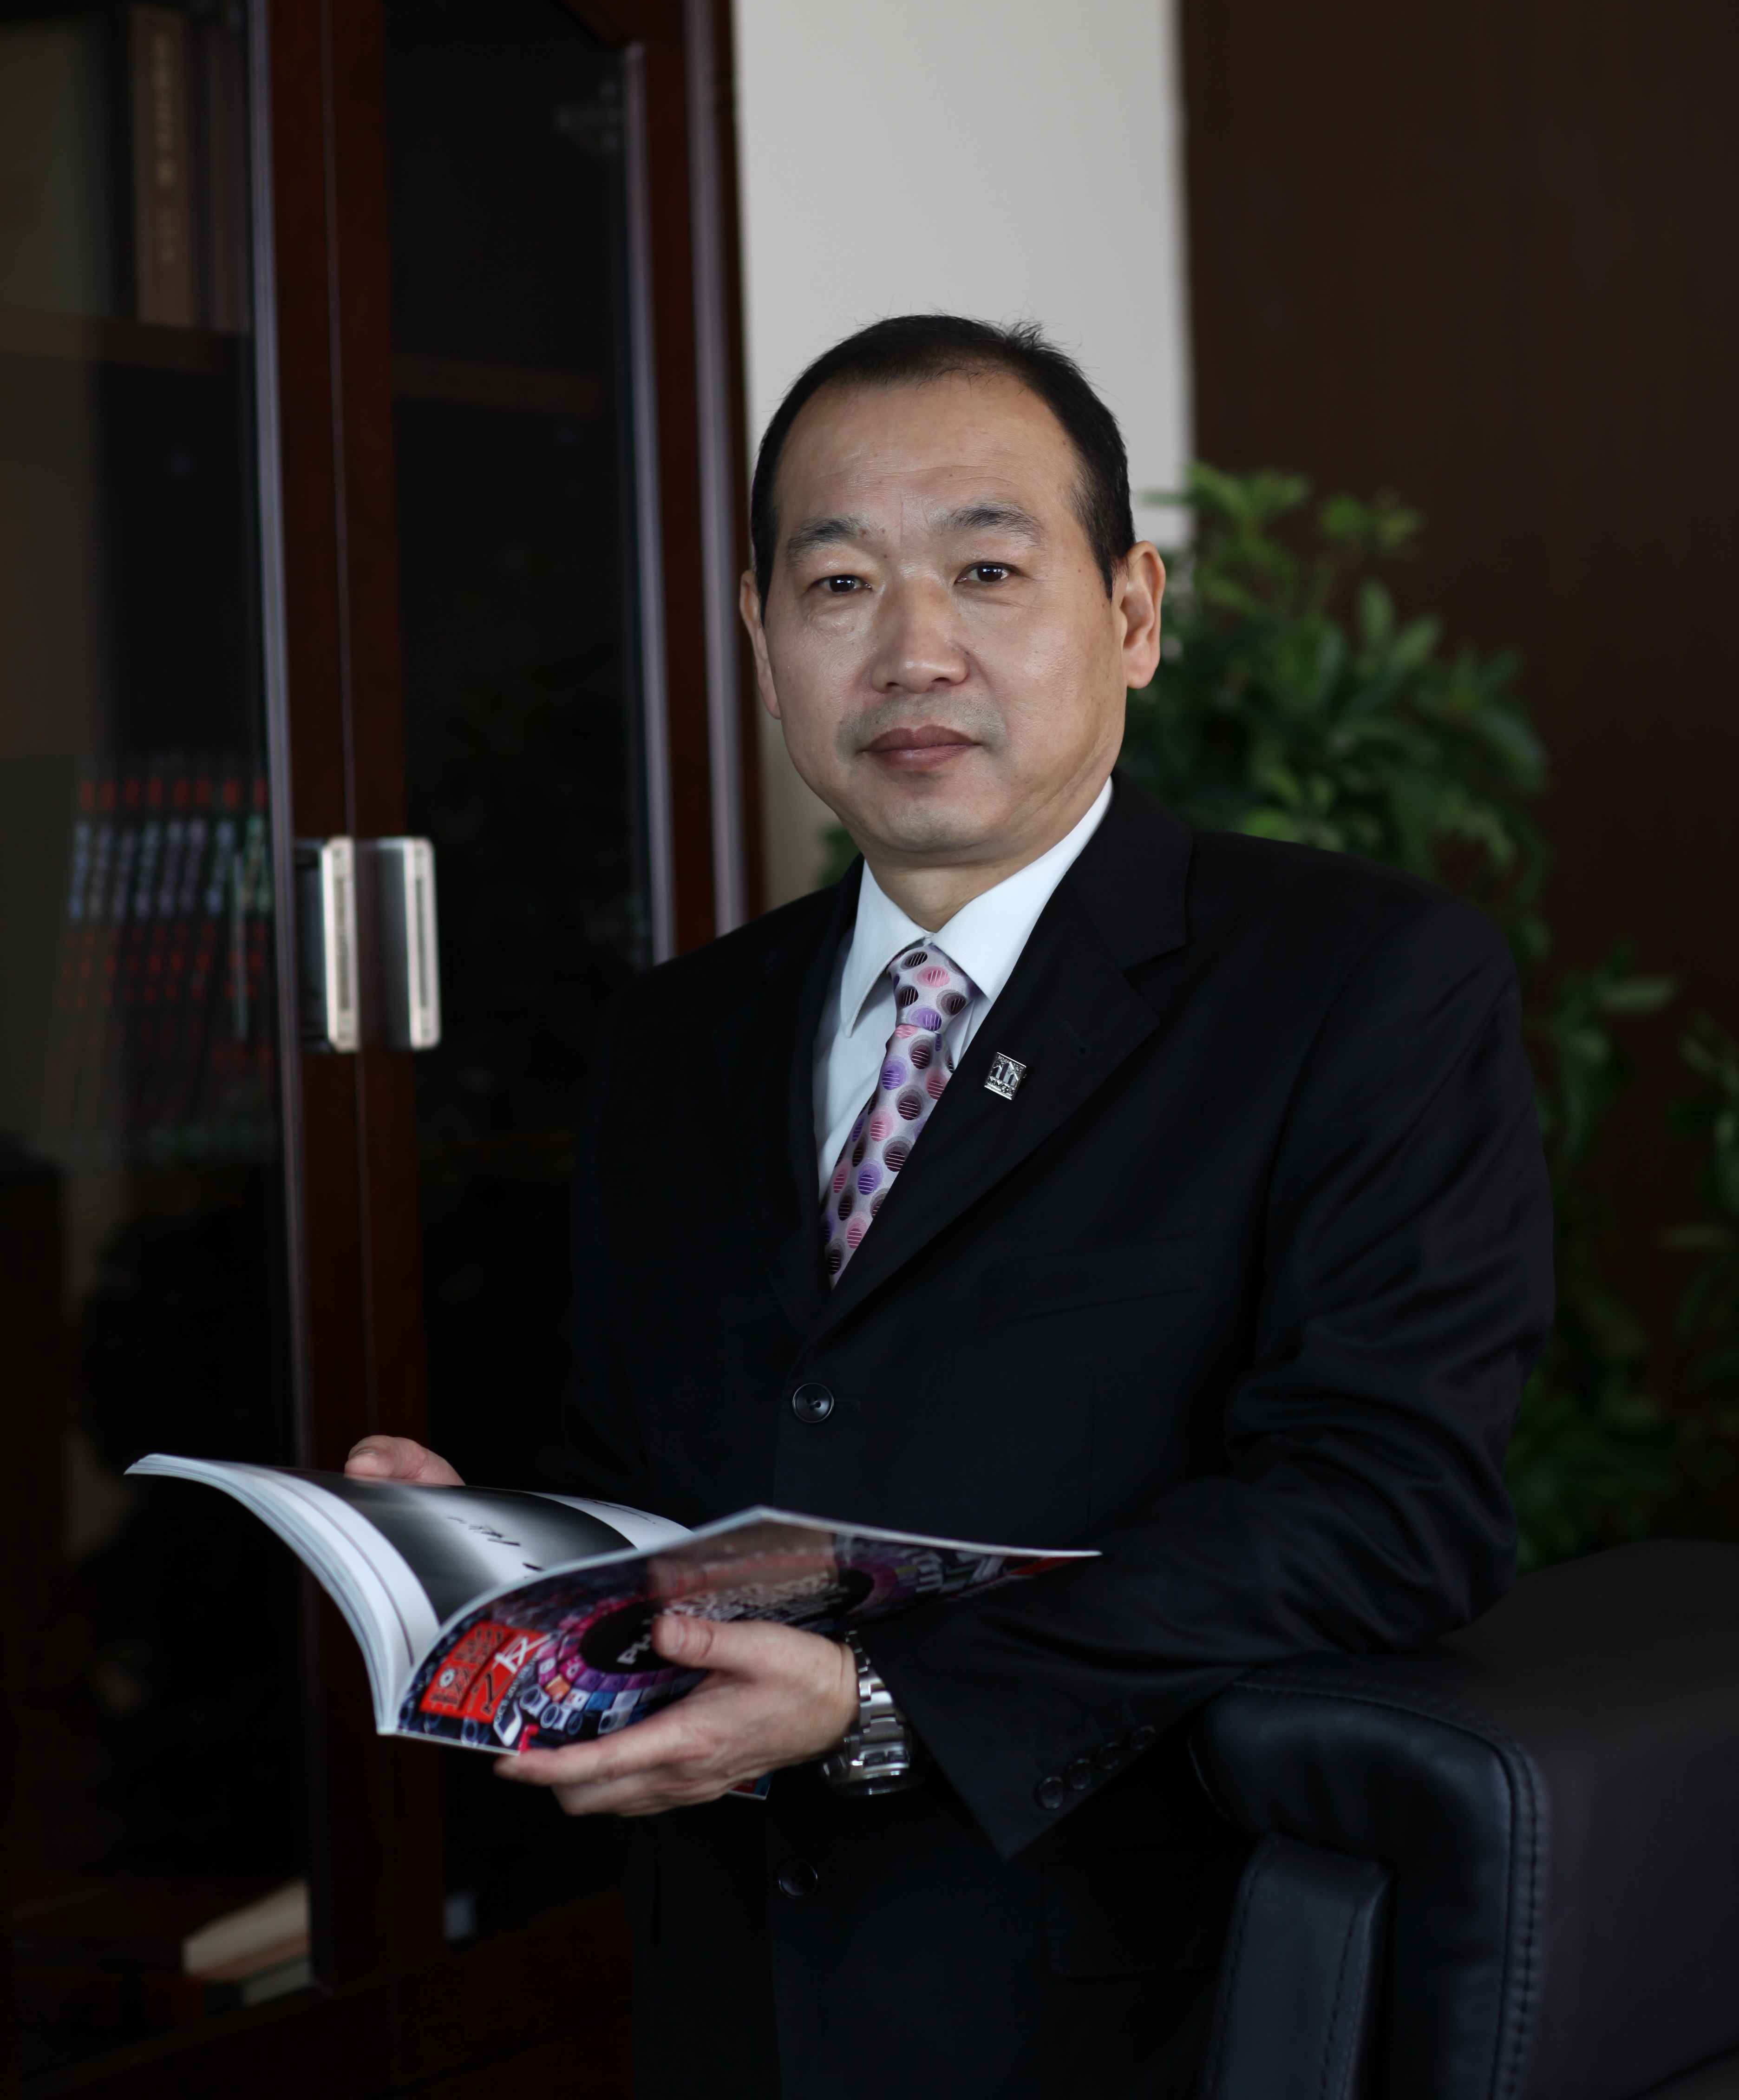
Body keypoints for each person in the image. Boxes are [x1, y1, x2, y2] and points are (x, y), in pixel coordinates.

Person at [350, 314, 1553, 2100]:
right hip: (730, 1997)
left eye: (988, 570)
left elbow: (1395, 1506)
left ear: (1130, 613)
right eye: (838, 584)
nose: (914, 649)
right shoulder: (678, 1035)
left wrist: (886, 1703)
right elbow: (663, 1468)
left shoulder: (1361, 985)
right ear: (763, 642)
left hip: (1129, 2006)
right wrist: (508, 1567)